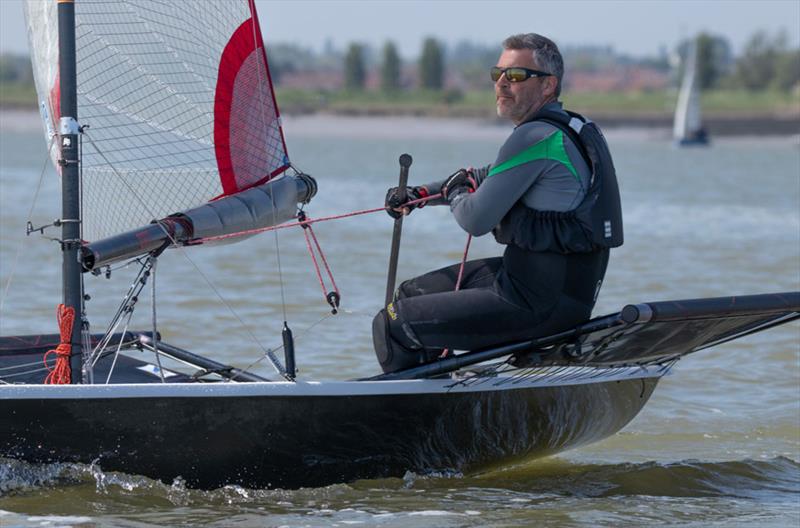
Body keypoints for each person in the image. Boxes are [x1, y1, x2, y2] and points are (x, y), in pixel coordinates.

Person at [373, 33, 623, 374]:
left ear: (548, 86)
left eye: (517, 76)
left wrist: (457, 193)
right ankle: (440, 387)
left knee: (392, 324)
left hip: (534, 303)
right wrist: (420, 194)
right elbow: (484, 175)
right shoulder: (566, 130)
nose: (502, 83)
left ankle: (411, 415)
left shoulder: (534, 137)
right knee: (410, 295)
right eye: (498, 74)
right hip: (555, 294)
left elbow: (475, 219)